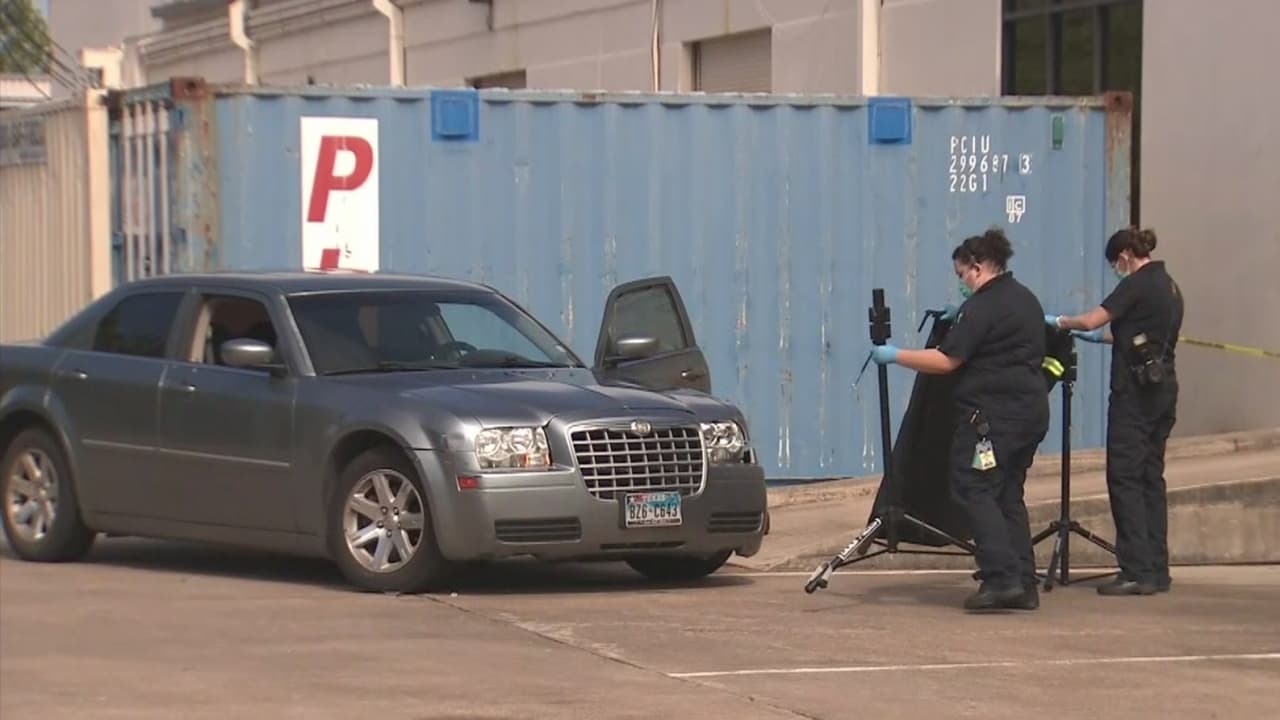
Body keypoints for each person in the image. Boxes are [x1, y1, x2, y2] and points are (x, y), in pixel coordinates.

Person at [872, 228, 1050, 611]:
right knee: (1007, 495)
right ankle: (1022, 580)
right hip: (1030, 414)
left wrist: (896, 355)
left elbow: (947, 360)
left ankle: (1000, 578)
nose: (961, 284)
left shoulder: (983, 306)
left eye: (961, 276)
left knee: (974, 488)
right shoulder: (1025, 300)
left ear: (977, 267)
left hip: (993, 419)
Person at [1047, 227, 1183, 596]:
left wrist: (1061, 322)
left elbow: (1093, 319)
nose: (1116, 269)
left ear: (1125, 254)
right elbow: (1139, 337)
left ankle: (1135, 570)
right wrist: (1104, 339)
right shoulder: (1169, 287)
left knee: (1124, 478)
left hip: (1134, 396)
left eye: (1115, 263)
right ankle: (1156, 569)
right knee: (1151, 479)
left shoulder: (1136, 284)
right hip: (1162, 391)